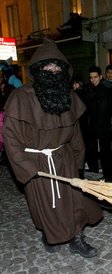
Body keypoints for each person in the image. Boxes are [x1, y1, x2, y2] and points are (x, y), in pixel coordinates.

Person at [2, 38, 103, 258]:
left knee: (75, 201)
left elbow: (76, 134)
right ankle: (51, 233)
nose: (53, 70)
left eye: (58, 66)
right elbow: (10, 137)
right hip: (37, 163)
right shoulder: (21, 97)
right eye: (48, 65)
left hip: (63, 158)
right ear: (38, 69)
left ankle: (77, 238)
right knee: (46, 205)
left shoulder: (68, 98)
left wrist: (78, 161)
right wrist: (27, 167)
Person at [87, 66, 112, 181]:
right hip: (97, 126)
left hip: (103, 127)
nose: (93, 80)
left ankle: (108, 176)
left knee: (106, 153)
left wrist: (99, 128)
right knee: (104, 153)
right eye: (91, 78)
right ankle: (107, 175)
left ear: (100, 77)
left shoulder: (104, 89)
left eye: (95, 77)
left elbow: (103, 110)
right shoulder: (94, 89)